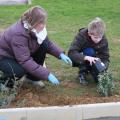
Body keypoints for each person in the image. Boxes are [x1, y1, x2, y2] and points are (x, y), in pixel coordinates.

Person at [0, 6, 72, 88]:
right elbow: (25, 60)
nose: (44, 25)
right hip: (5, 56)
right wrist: (46, 74)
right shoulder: (19, 34)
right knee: (18, 71)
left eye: (44, 22)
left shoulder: (34, 28)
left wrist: (60, 54)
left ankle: (32, 78)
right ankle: (4, 84)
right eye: (41, 23)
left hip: (19, 54)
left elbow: (47, 43)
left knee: (44, 45)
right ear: (33, 22)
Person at [68, 17, 110, 85]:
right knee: (89, 51)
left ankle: (92, 70)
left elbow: (105, 56)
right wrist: (86, 57)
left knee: (99, 77)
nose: (98, 39)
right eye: (96, 37)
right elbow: (71, 52)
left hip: (95, 58)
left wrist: (103, 66)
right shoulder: (81, 36)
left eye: (100, 37)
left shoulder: (103, 39)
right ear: (89, 34)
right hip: (81, 57)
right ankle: (82, 73)